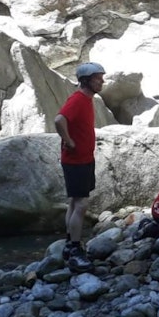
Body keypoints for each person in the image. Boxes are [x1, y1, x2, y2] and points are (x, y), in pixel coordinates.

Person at [54, 62, 105, 273]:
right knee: (82, 203)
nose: (101, 81)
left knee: (74, 202)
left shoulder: (86, 99)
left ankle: (69, 244)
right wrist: (69, 140)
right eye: (97, 78)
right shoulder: (78, 99)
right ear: (86, 80)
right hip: (76, 161)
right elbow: (59, 120)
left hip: (83, 158)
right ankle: (75, 250)